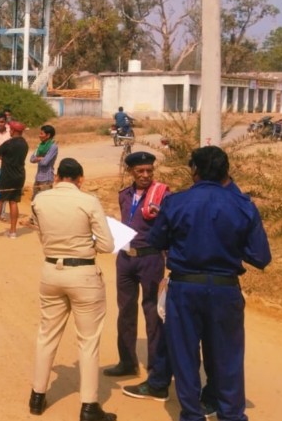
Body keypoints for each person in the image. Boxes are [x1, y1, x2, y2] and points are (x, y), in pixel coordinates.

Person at [148, 146, 271, 421]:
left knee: (184, 355)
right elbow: (261, 257)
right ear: (227, 171)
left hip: (184, 288)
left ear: (194, 170)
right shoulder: (243, 205)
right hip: (225, 289)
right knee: (228, 356)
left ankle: (192, 414)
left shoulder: (175, 202)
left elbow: (156, 241)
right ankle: (232, 415)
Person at [28, 157, 116, 421]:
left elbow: (42, 235)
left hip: (51, 270)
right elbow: (107, 245)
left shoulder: (39, 200)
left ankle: (37, 396)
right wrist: (86, 242)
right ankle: (89, 406)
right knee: (88, 341)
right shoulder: (88, 201)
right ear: (81, 179)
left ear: (56, 177)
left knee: (46, 334)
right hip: (83, 273)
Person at [102, 151, 172, 395]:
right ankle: (127, 361)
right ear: (131, 171)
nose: (145, 175)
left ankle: (156, 369)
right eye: (140, 171)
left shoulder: (162, 195)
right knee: (125, 310)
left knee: (153, 313)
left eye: (149, 170)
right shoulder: (124, 194)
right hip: (125, 258)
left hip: (150, 258)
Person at [0, 120, 29, 237]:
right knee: (13, 202)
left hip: (7, 176)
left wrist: (6, 159)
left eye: (10, 129)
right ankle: (13, 231)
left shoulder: (9, 143)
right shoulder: (24, 143)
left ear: (13, 130)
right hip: (19, 176)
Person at [29, 123, 58, 195]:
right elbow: (31, 159)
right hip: (38, 178)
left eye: (41, 134)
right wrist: (41, 158)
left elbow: (44, 163)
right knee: (35, 199)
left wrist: (38, 158)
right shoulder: (40, 146)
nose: (39, 135)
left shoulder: (53, 147)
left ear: (48, 135)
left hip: (47, 179)